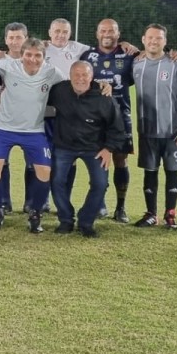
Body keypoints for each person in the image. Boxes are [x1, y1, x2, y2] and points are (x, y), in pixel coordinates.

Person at [0, 39, 68, 232]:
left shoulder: (52, 72)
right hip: (3, 127)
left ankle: (35, 213)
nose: (32, 59)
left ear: (43, 57)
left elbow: (71, 86)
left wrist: (101, 86)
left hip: (33, 130)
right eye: (28, 55)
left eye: (37, 55)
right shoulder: (7, 65)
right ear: (22, 55)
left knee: (44, 171)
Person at [47, 61, 128, 237]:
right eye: (76, 74)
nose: (80, 78)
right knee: (56, 181)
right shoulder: (59, 91)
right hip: (64, 146)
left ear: (92, 77)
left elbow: (118, 127)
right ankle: (66, 220)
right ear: (70, 76)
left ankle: (86, 221)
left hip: (95, 148)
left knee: (100, 184)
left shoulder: (104, 97)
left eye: (85, 75)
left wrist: (109, 149)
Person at [131, 24, 177, 230]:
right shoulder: (136, 64)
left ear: (165, 41)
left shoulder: (176, 63)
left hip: (173, 130)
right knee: (150, 171)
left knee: (172, 171)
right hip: (147, 129)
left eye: (158, 38)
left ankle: (170, 214)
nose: (153, 41)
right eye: (150, 38)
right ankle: (151, 214)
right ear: (143, 39)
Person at [80, 19, 137, 222]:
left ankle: (120, 208)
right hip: (95, 117)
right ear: (97, 34)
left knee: (121, 159)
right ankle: (98, 204)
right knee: (98, 160)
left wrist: (136, 49)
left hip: (121, 115)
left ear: (118, 34)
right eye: (103, 30)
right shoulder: (87, 56)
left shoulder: (128, 55)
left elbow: (146, 60)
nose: (107, 34)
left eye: (111, 31)